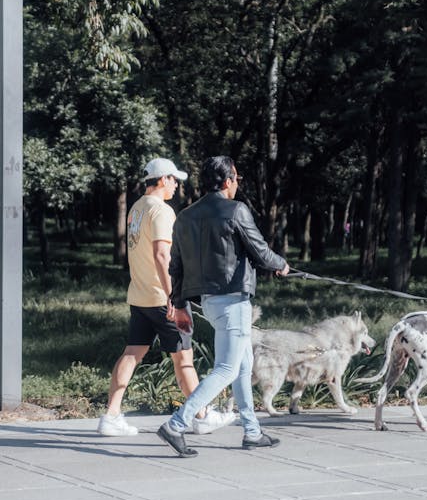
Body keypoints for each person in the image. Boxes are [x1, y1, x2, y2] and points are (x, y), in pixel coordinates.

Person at [157, 155, 289, 458]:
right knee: (228, 369)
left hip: (209, 304)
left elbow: (175, 266)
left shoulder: (186, 216)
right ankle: (177, 424)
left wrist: (178, 305)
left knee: (243, 366)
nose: (237, 183)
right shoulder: (236, 210)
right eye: (237, 178)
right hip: (233, 301)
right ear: (228, 180)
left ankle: (252, 432)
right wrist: (281, 265)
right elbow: (260, 250)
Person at [98, 157, 235, 437]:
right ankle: (202, 415)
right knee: (183, 356)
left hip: (140, 295)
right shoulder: (161, 211)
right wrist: (174, 296)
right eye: (174, 179)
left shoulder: (136, 209)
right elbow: (162, 254)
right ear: (162, 180)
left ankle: (111, 416)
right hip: (162, 298)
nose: (176, 185)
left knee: (132, 353)